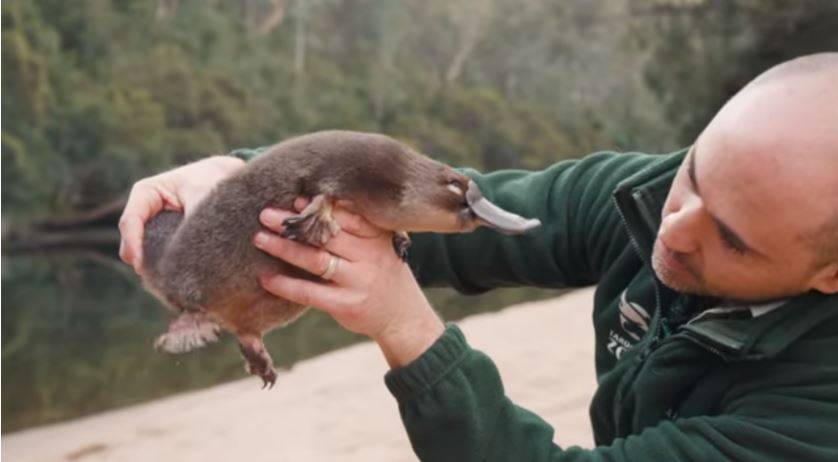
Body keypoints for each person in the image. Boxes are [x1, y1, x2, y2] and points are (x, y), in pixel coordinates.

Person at [119, 53, 838, 461]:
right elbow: (456, 205)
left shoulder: (814, 419)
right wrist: (239, 180)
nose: (672, 231)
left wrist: (407, 329)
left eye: (733, 240)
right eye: (692, 177)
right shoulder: (654, 199)